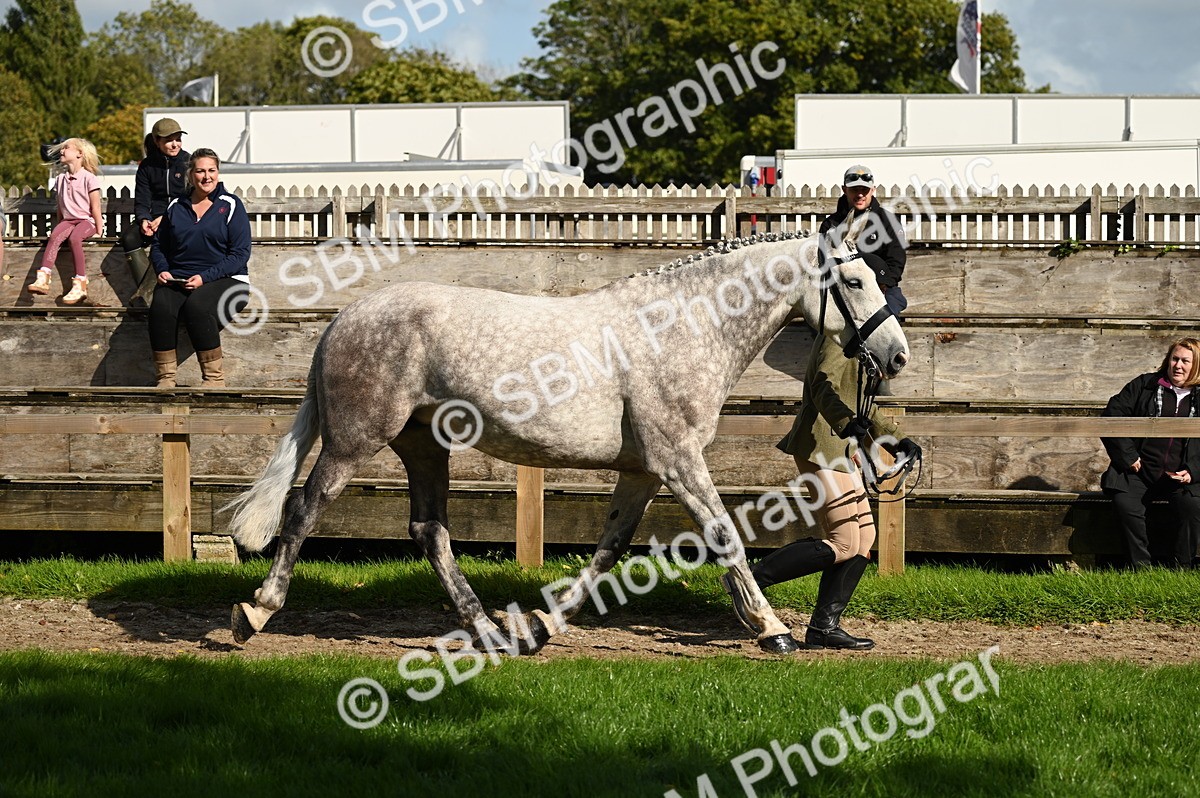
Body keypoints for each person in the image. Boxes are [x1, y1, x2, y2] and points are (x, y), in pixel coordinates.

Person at [723, 333, 921, 650]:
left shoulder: (863, 336)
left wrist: (898, 439)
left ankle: (823, 629)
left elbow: (860, 406)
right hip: (822, 444)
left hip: (841, 446)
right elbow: (822, 387)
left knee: (864, 539)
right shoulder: (838, 335)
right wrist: (847, 424)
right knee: (844, 541)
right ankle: (747, 581)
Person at [148, 148, 251, 388]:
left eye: (212, 170)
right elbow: (158, 246)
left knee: (197, 307)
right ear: (190, 174)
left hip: (228, 279)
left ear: (218, 172)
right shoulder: (176, 205)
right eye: (200, 171)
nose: (207, 177)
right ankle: (165, 378)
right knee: (160, 307)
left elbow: (240, 254)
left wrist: (204, 278)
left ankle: (214, 379)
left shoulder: (231, 205)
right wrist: (162, 269)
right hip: (179, 279)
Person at [1101, 338, 1200, 568]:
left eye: (1186, 361)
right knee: (1125, 503)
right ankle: (1140, 568)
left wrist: (1193, 471)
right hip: (1139, 470)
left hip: (1182, 477)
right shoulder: (1145, 385)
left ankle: (1180, 568)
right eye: (1175, 359)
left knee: (1193, 507)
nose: (1178, 365)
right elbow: (1111, 415)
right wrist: (1127, 456)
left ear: (1196, 366)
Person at [819, 164, 908, 318]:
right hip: (841, 290)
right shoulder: (830, 224)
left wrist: (882, 284)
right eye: (854, 190)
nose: (860, 195)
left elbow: (896, 261)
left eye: (864, 190)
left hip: (880, 288)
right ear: (844, 190)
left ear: (872, 190)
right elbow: (821, 263)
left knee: (885, 321)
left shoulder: (888, 220)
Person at [122, 117, 190, 308]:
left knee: (166, 236)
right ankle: (148, 292)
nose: (175, 144)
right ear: (157, 141)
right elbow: (142, 199)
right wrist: (144, 219)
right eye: (169, 140)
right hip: (154, 219)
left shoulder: (188, 162)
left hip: (181, 217)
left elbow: (190, 199)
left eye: (178, 139)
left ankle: (145, 296)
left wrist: (167, 217)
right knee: (129, 238)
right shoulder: (146, 166)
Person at [26, 138, 104, 304]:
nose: (62, 151)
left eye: (66, 148)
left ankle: (80, 283)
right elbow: (61, 206)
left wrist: (99, 230)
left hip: (86, 222)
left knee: (74, 238)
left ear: (79, 154)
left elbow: (96, 207)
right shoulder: (61, 179)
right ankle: (43, 277)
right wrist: (59, 227)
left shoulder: (89, 178)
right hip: (68, 221)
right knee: (55, 237)